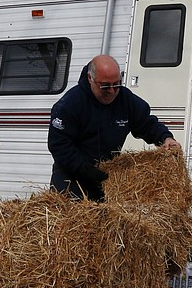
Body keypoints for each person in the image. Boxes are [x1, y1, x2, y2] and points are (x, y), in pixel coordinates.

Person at [47, 54, 181, 201]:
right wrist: (87, 171)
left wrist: (165, 137)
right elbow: (59, 146)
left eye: (116, 84)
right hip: (71, 176)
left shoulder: (125, 99)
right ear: (90, 79)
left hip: (105, 177)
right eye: (105, 86)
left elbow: (146, 123)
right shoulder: (69, 105)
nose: (111, 91)